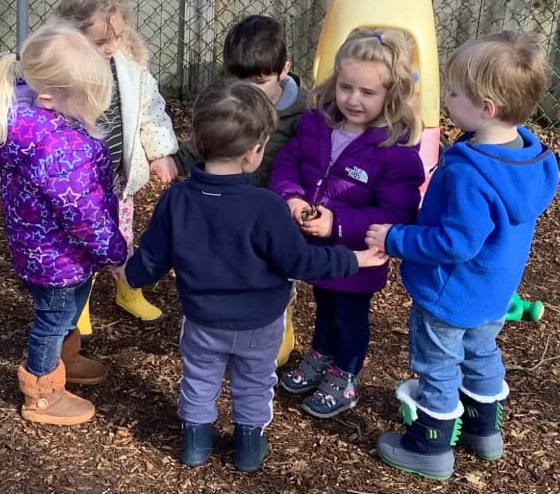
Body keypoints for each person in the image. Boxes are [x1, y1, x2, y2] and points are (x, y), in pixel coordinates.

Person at [113, 79, 389, 472]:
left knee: (199, 379)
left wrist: (129, 274)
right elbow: (302, 263)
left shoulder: (177, 200)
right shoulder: (266, 206)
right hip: (261, 322)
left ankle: (196, 443)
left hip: (203, 319)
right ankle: (247, 447)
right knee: (255, 383)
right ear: (255, 152)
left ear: (199, 142)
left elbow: (152, 259)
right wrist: (354, 259)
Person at [365, 30, 560, 481]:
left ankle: (430, 447)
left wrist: (395, 238)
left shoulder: (470, 174)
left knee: (437, 365)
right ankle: (484, 431)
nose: (447, 99)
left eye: (454, 93)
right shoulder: (530, 156)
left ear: (486, 108)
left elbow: (455, 244)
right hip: (494, 290)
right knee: (481, 352)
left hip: (451, 294)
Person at [0, 24, 128, 425]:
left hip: (44, 249)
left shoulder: (28, 122)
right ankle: (42, 393)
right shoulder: (58, 149)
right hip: (59, 258)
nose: (93, 109)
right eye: (86, 100)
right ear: (50, 98)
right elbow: (84, 214)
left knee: (68, 311)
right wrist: (115, 253)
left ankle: (64, 360)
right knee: (53, 320)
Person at [269, 29, 426, 418]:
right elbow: (288, 162)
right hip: (317, 248)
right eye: (346, 87)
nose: (353, 99)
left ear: (392, 94)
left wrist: (337, 224)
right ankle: (321, 354)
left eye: (367, 92)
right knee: (324, 304)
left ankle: (346, 374)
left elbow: (397, 213)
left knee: (349, 315)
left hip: (358, 255)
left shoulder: (396, 149)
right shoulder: (318, 122)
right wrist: (292, 198)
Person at [172, 14, 308, 366]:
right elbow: (210, 138)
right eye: (240, 81)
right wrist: (176, 160)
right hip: (229, 207)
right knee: (229, 265)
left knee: (277, 269)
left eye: (260, 82)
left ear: (284, 70)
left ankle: (279, 315)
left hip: (276, 215)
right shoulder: (232, 101)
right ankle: (221, 328)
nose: (250, 91)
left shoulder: (304, 115)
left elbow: (313, 160)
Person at [53, 0, 179, 330]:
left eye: (118, 36)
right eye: (100, 42)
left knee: (121, 237)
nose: (112, 47)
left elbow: (151, 110)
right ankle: (80, 303)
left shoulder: (130, 67)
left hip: (118, 178)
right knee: (81, 242)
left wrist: (160, 152)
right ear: (72, 35)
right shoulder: (59, 73)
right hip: (78, 184)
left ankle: (128, 289)